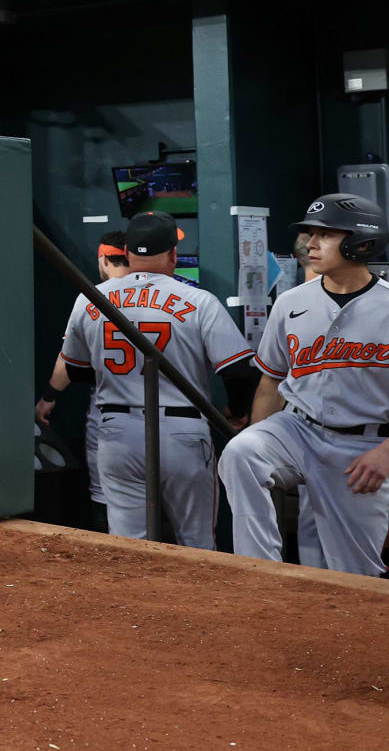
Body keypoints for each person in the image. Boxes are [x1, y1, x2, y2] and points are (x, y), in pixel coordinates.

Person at [220, 193, 389, 576]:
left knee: (355, 576)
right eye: (310, 233)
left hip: (362, 447)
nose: (310, 243)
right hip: (297, 428)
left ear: (361, 242)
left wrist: (388, 451)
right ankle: (259, 574)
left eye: (324, 234)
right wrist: (261, 433)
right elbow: (270, 381)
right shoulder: (291, 302)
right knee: (241, 452)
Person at [51, 214, 256, 548]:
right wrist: (237, 412)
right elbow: (238, 371)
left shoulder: (91, 297)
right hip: (182, 432)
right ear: (173, 255)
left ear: (127, 252)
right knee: (196, 541)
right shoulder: (198, 301)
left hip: (116, 431)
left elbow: (75, 369)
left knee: (129, 545)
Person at [38, 230, 132, 526]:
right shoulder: (174, 293)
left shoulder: (91, 297)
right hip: (174, 418)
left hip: (111, 415)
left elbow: (68, 362)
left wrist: (48, 398)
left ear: (104, 259)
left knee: (107, 502)